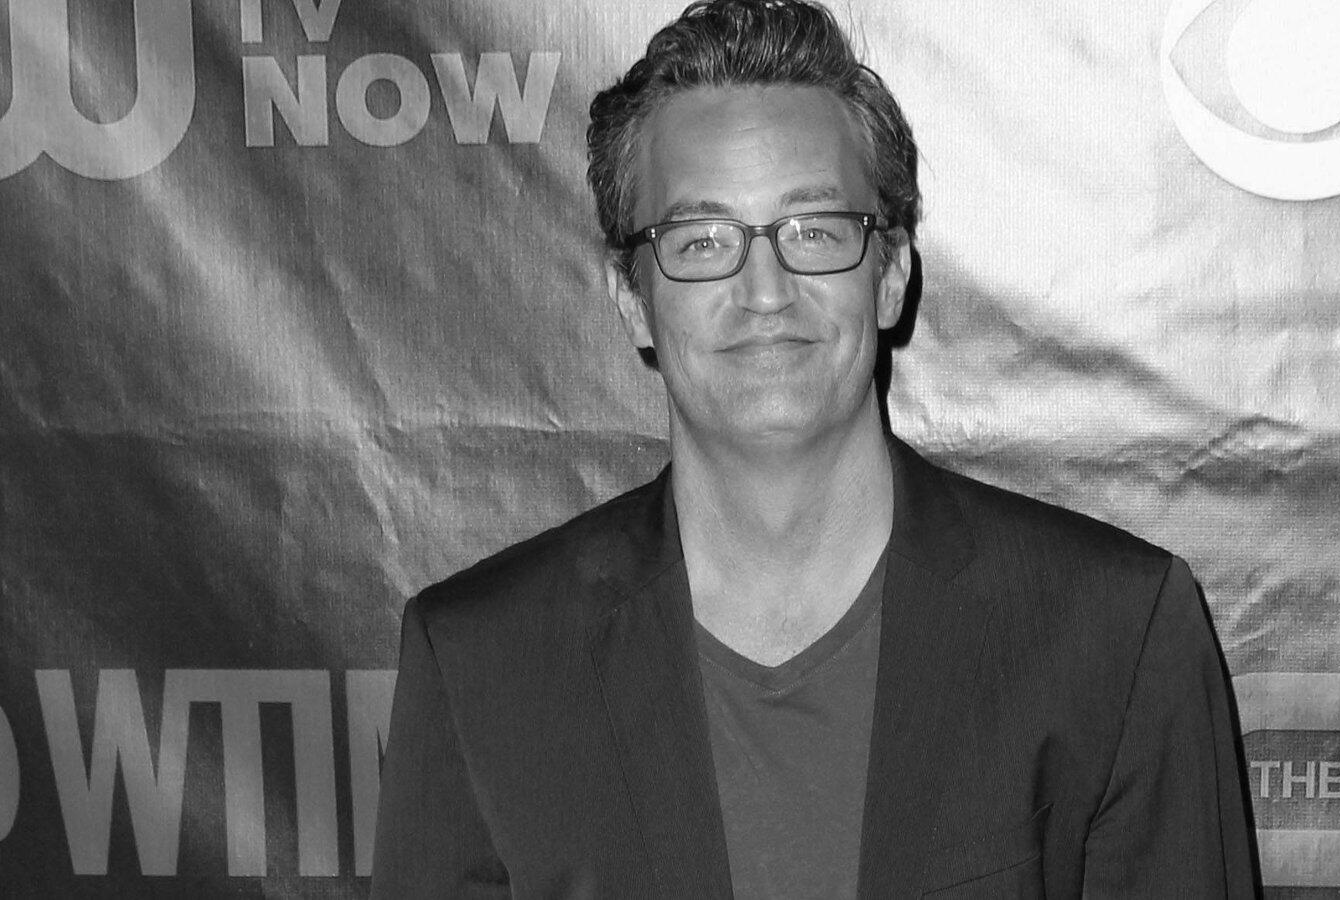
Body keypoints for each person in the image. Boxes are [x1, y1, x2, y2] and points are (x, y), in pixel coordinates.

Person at [370, 1, 1259, 896]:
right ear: (632, 298)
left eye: (815, 232)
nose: (765, 290)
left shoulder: (1114, 633)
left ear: (891, 273)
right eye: (702, 240)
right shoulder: (483, 664)